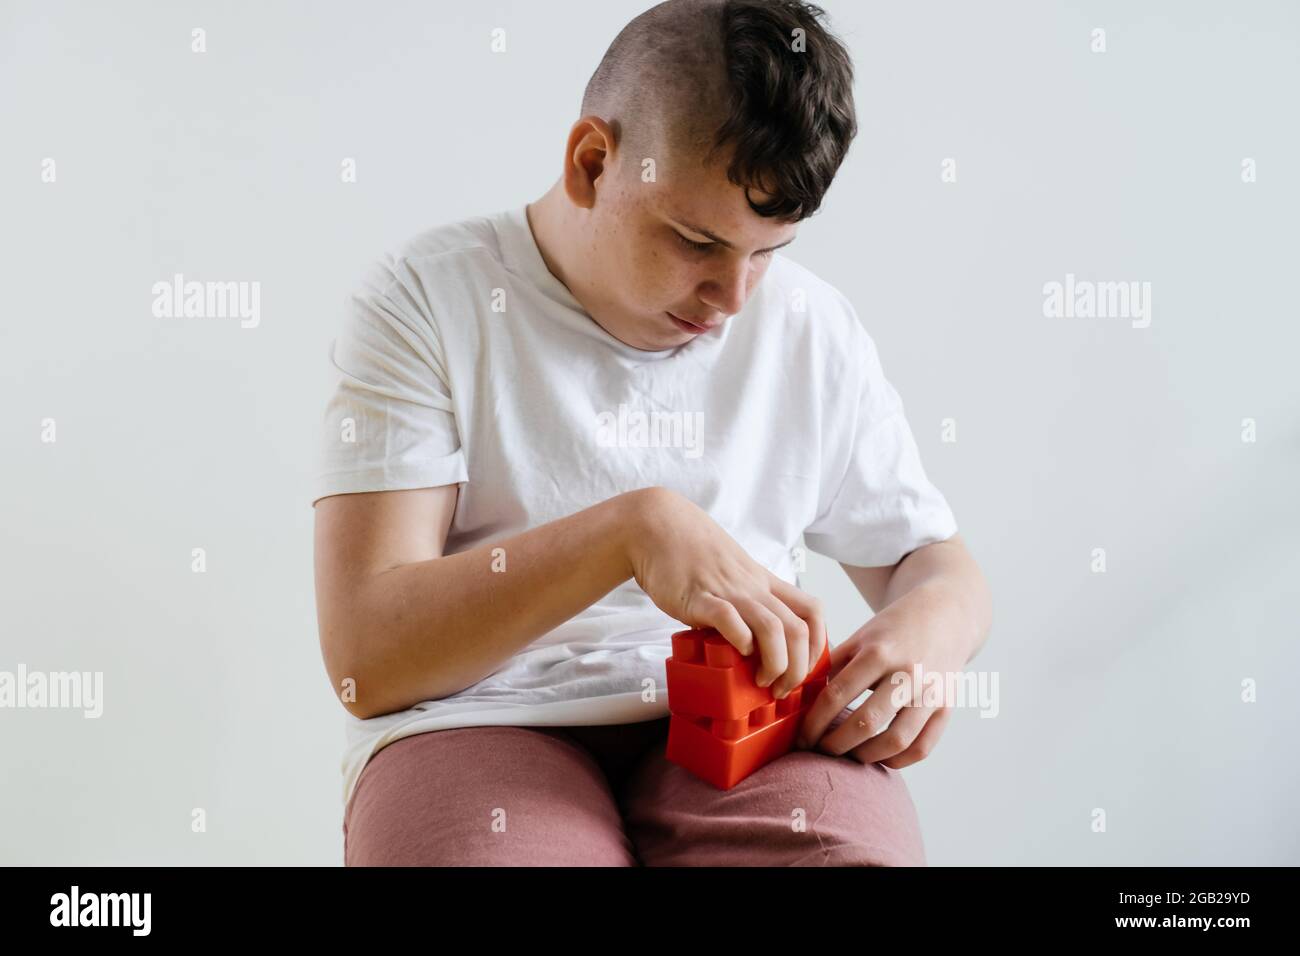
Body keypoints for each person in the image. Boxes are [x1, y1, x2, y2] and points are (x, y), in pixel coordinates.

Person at [312, 0, 992, 866]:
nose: (733, 299)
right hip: (483, 719)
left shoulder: (811, 328)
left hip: (754, 721)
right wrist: (630, 533)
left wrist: (927, 635)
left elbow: (938, 569)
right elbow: (366, 659)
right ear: (592, 162)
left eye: (768, 251)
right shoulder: (426, 299)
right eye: (696, 241)